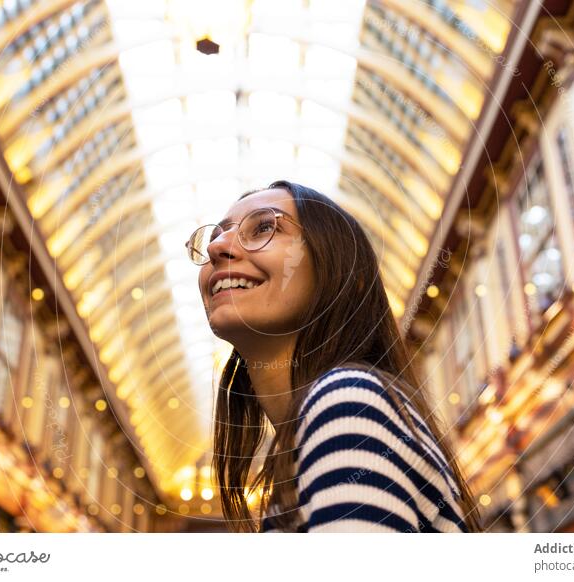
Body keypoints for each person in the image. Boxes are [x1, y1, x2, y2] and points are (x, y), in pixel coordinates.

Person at [186, 180, 479, 532]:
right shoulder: (314, 441)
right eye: (216, 235)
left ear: (341, 274)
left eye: (264, 227)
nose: (218, 247)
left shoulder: (348, 401)